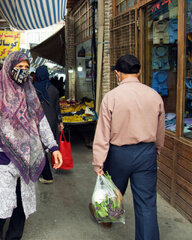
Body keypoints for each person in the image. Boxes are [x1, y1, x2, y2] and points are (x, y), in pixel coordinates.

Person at [0, 51, 63, 240]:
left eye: (25, 67)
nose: (22, 71)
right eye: (18, 67)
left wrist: (53, 147)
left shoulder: (30, 92)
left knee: (22, 202)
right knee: (2, 204)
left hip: (26, 158)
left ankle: (13, 237)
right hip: (0, 158)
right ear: (8, 67)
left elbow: (42, 122)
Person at [91, 54, 165, 239]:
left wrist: (98, 162)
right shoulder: (154, 95)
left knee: (112, 194)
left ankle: (107, 220)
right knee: (146, 204)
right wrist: (156, 150)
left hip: (119, 155)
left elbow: (103, 133)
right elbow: (160, 129)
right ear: (139, 71)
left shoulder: (111, 97)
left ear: (117, 73)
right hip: (146, 153)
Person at [34, 65, 64, 184]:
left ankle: (47, 175)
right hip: (51, 120)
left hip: (38, 121)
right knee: (48, 144)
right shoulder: (54, 89)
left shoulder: (33, 89)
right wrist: (60, 121)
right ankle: (47, 170)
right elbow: (57, 108)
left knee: (40, 146)